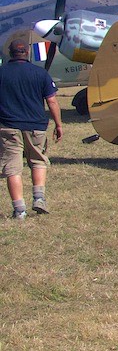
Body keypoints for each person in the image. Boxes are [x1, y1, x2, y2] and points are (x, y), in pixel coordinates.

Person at [0, 40, 63, 219]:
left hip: (8, 126)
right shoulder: (40, 73)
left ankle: (19, 210)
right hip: (36, 126)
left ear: (10, 53)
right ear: (27, 53)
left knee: (12, 168)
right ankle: (39, 199)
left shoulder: (1, 73)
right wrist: (58, 124)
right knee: (38, 161)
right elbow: (52, 101)